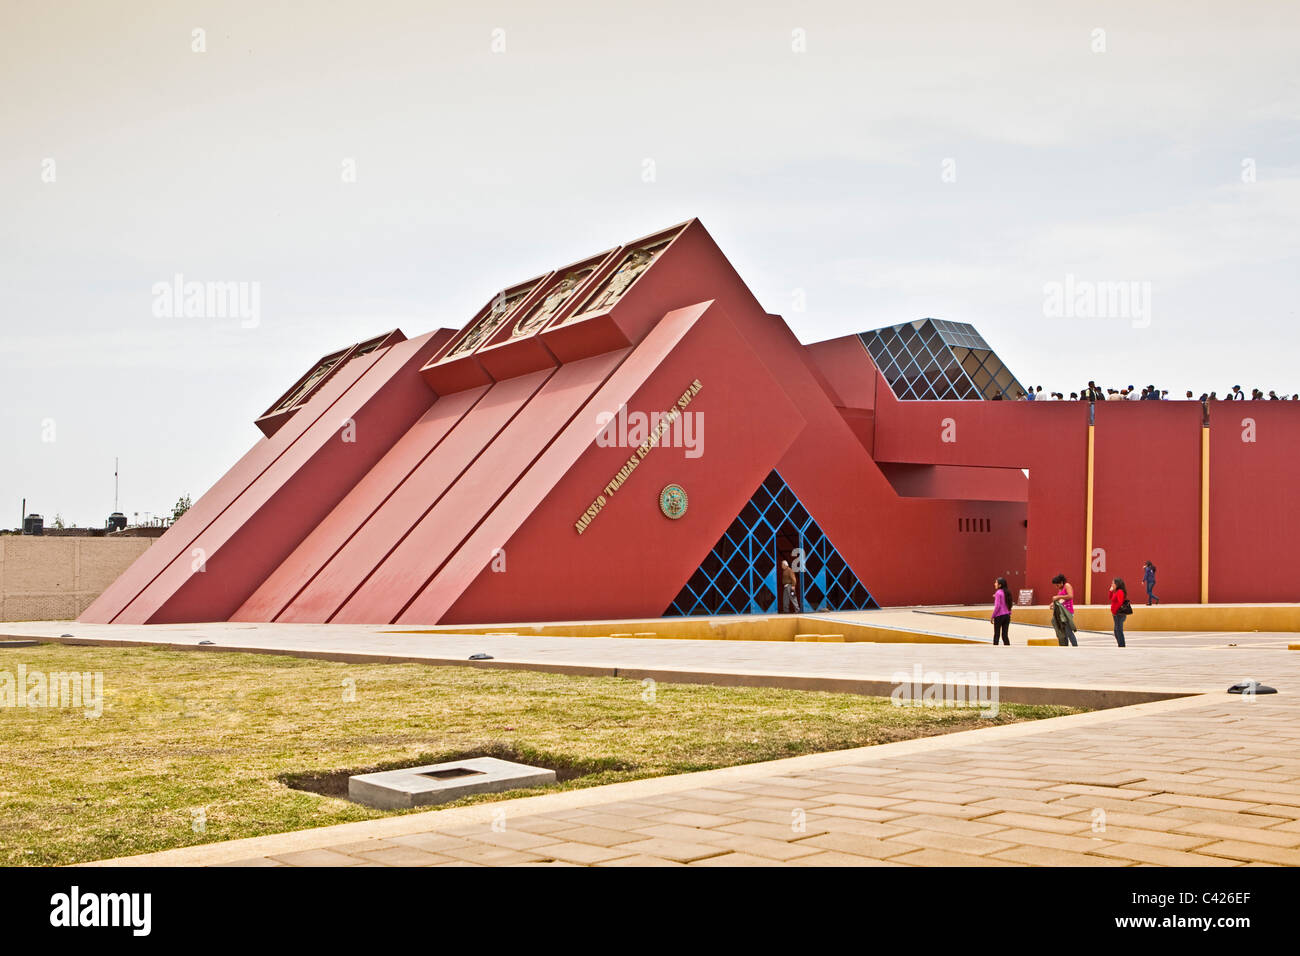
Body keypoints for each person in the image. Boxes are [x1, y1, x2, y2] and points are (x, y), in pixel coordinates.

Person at [1050, 573, 1078, 646]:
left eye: (1057, 585)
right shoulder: (1060, 589)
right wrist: (1053, 604)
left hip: (1067, 612)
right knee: (1063, 631)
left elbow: (1070, 596)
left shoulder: (1067, 586)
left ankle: (1075, 646)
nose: (1056, 587)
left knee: (1068, 631)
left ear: (1061, 582)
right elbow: (1061, 600)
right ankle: (1065, 646)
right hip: (1062, 613)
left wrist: (1058, 597)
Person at [991, 577, 1012, 645]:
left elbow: (997, 606)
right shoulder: (1007, 592)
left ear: (1000, 585)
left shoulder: (998, 593)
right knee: (1005, 635)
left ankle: (995, 649)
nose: (994, 584)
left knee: (997, 634)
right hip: (1007, 616)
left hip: (999, 616)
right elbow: (1008, 603)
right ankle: (1008, 648)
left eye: (996, 582)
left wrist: (992, 616)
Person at [1109, 577, 1130, 647]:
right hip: (1115, 614)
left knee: (1119, 630)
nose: (1112, 584)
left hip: (1119, 614)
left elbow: (1120, 603)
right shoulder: (1116, 592)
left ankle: (1122, 645)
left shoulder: (1120, 592)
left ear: (1117, 584)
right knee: (1116, 631)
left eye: (1113, 583)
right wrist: (1110, 591)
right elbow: (1110, 598)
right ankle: (1120, 644)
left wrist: (1115, 611)